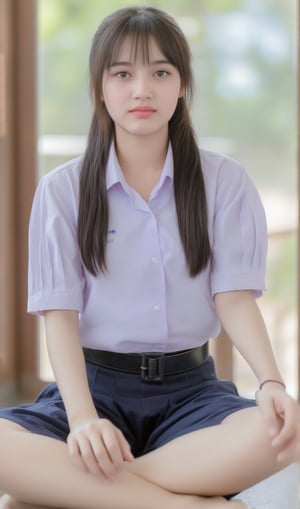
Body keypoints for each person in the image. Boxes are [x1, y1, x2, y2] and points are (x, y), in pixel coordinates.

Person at [0, 6, 298, 509]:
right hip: (93, 388)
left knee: (282, 429)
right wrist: (82, 421)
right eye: (123, 73)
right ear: (101, 86)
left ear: (181, 85)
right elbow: (60, 318)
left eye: (160, 72)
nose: (142, 89)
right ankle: (181, 503)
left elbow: (233, 299)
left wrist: (271, 382)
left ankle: (74, 492)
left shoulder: (224, 182)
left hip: (192, 393)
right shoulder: (62, 190)